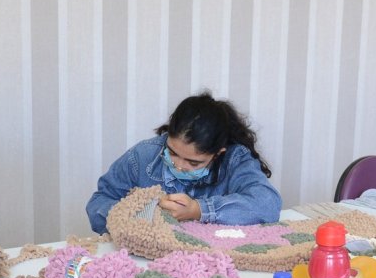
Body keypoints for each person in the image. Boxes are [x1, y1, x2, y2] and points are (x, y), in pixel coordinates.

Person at [86, 92, 281, 233]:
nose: (178, 165)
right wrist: (143, 213)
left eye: (193, 163)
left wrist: (198, 210)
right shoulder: (143, 156)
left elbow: (267, 205)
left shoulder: (235, 159)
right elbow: (98, 204)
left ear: (218, 154)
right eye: (172, 152)